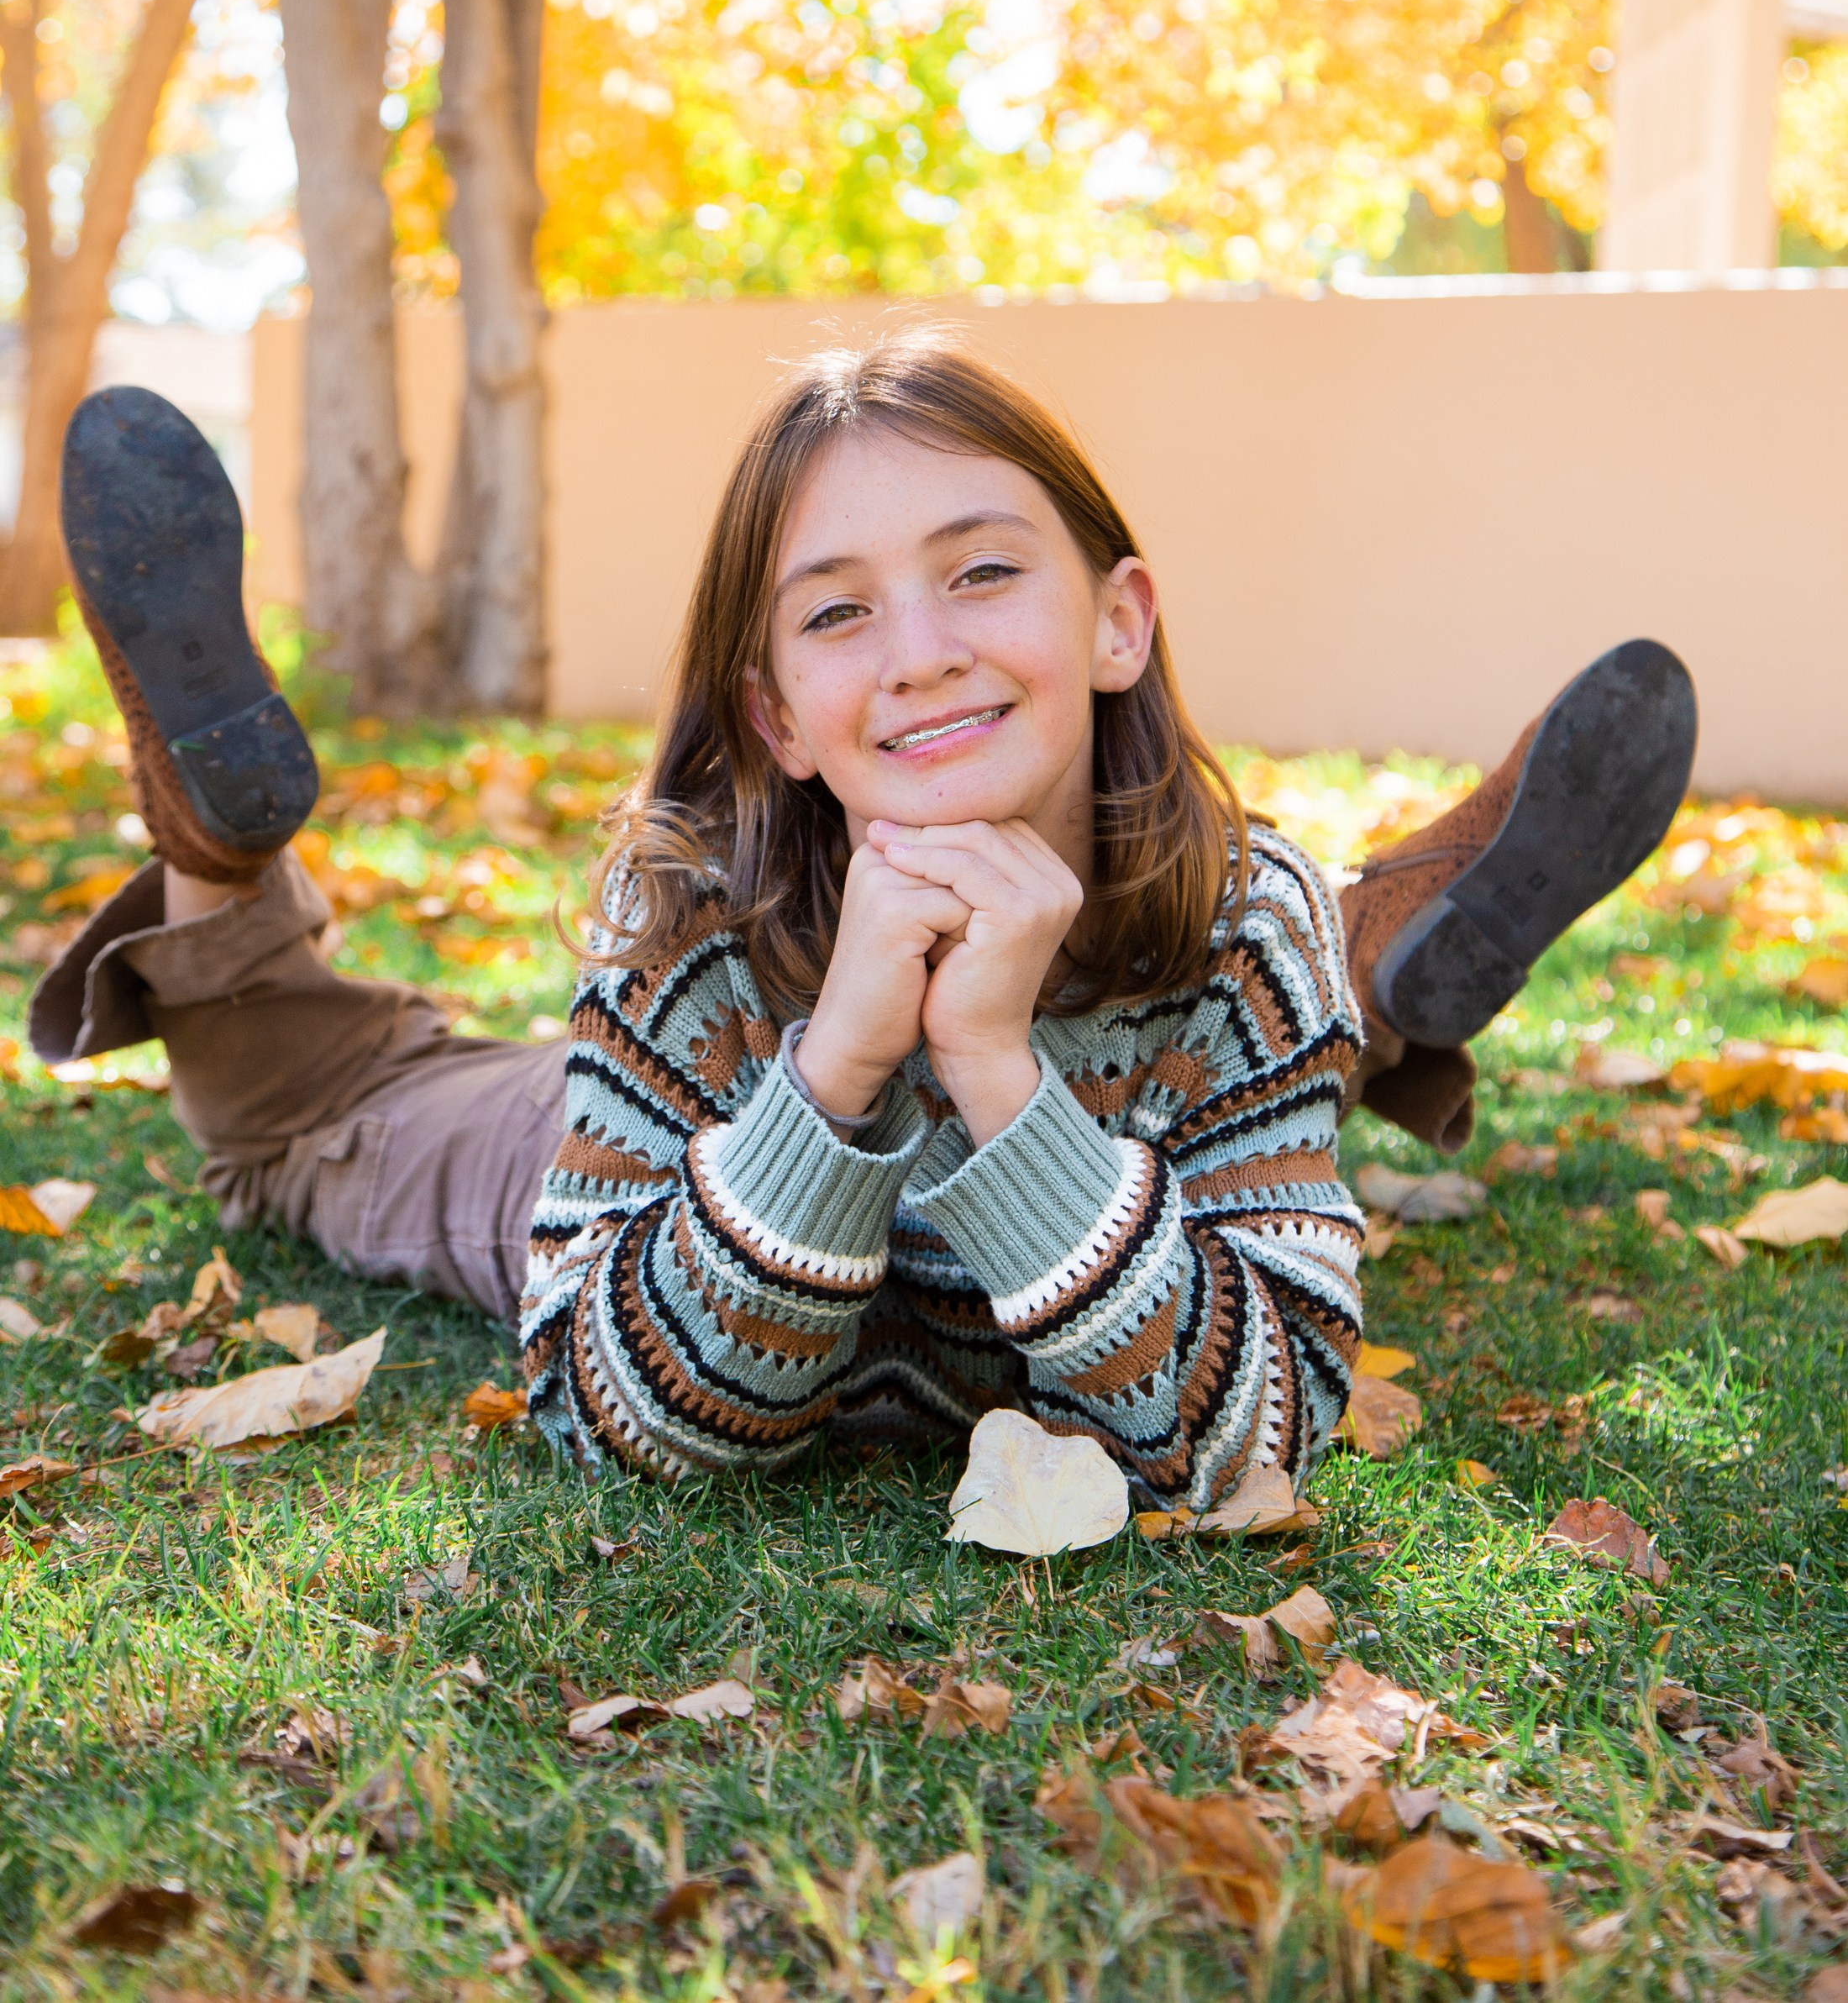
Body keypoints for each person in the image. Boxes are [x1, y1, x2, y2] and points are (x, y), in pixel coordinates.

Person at [32, 348, 1696, 1504]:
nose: (918, 652)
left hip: (1160, 1015)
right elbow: (618, 1425)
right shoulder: (688, 915)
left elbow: (1253, 1442)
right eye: (836, 612)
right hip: (688, 1129)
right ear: (771, 714)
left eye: (983, 574)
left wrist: (995, 1069)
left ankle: (215, 874)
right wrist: (831, 1069)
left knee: (300, 1112)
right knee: (330, 1113)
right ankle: (1378, 965)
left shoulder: (1235, 931)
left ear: (1117, 620)